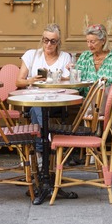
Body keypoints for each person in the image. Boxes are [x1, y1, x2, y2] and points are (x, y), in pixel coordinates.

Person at [74, 24, 112, 170]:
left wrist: (110, 96)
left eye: (93, 41)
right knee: (90, 108)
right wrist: (71, 74)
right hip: (91, 100)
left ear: (103, 40)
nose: (90, 45)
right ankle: (93, 150)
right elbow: (78, 83)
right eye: (88, 41)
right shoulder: (84, 58)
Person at [16, 23, 72, 160]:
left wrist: (59, 78)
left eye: (53, 41)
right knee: (37, 107)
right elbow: (18, 82)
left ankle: (40, 154)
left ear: (58, 42)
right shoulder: (31, 55)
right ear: (42, 40)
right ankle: (45, 149)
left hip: (55, 102)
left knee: (37, 110)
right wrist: (31, 81)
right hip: (33, 100)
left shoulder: (65, 57)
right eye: (45, 40)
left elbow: (69, 83)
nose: (48, 44)